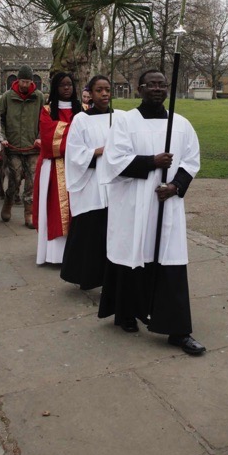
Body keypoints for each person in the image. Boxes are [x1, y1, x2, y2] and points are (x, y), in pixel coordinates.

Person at [99, 69, 205, 356]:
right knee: (132, 255)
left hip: (167, 205)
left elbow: (192, 160)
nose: (157, 89)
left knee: (170, 260)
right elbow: (114, 160)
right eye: (151, 85)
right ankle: (127, 312)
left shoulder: (180, 124)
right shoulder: (125, 122)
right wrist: (152, 162)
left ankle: (178, 330)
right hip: (133, 204)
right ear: (140, 88)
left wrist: (175, 186)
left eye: (162, 85)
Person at [61, 75, 124, 290]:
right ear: (90, 93)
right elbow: (74, 153)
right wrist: (100, 151)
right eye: (99, 90)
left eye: (107, 89)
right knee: (92, 231)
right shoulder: (81, 119)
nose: (104, 94)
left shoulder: (121, 117)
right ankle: (88, 276)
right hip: (92, 183)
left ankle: (113, 277)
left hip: (115, 183)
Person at [32, 72, 80, 264]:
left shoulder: (82, 109)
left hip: (79, 167)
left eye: (70, 84)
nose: (67, 88)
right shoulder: (47, 110)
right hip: (54, 166)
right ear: (55, 88)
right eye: (62, 85)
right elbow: (48, 138)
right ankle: (55, 255)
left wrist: (66, 131)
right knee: (55, 209)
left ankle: (77, 253)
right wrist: (75, 132)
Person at [0, 65, 44, 228]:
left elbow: (44, 120)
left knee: (32, 180)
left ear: (31, 81)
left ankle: (29, 213)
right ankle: (8, 201)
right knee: (15, 178)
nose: (25, 84)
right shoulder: (7, 97)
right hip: (13, 146)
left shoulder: (39, 97)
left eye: (27, 81)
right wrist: (3, 137)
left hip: (33, 146)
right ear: (18, 81)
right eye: (22, 81)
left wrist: (40, 137)